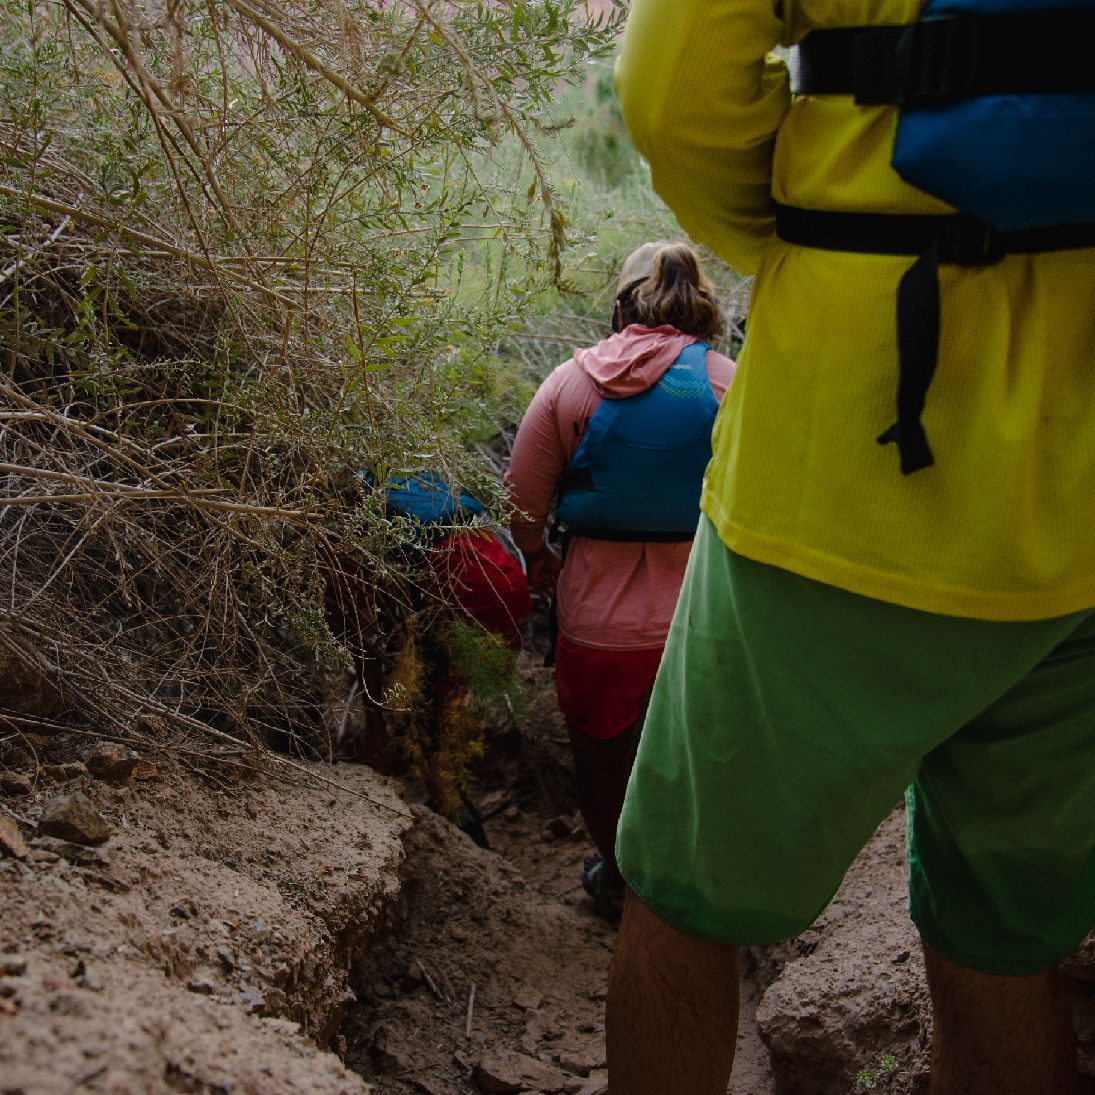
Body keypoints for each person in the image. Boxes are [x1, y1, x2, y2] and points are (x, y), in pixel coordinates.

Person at [606, 1, 1095, 1093]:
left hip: (843, 473)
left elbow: (668, 89)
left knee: (687, 898)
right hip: (1081, 516)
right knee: (1010, 949)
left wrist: (798, 245)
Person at [504, 242, 736, 921]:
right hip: (699, 617)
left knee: (600, 758)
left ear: (618, 306)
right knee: (695, 760)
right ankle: (692, 881)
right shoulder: (728, 381)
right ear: (704, 308)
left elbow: (521, 499)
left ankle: (619, 878)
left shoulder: (567, 384)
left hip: (596, 620)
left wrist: (538, 554)